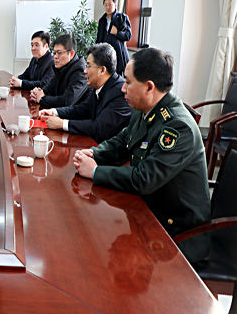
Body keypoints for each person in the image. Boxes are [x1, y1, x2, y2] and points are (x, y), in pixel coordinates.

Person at [73, 48, 210, 262]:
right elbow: (122, 141)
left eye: (128, 82)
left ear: (149, 87)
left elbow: (144, 178)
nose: (122, 88)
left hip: (177, 232)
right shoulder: (145, 109)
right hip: (148, 211)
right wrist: (94, 153)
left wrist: (96, 172)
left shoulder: (177, 127)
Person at [39, 43, 132, 143]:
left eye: (88, 66)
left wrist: (63, 124)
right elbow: (81, 109)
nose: (85, 71)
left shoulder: (120, 92)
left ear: (102, 70)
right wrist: (54, 112)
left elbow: (98, 128)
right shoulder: (99, 86)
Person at [30, 34, 89, 108]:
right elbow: (49, 89)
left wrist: (42, 99)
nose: (55, 57)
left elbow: (67, 101)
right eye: (54, 53)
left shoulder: (80, 72)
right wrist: (37, 93)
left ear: (71, 53)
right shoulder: (62, 67)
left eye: (59, 53)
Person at [96, 0, 132, 76]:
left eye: (110, 4)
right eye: (105, 5)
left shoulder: (122, 18)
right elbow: (99, 39)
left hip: (118, 54)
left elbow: (128, 36)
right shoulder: (102, 20)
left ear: (115, 5)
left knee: (117, 77)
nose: (108, 7)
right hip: (105, 54)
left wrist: (117, 33)